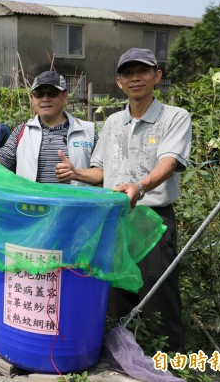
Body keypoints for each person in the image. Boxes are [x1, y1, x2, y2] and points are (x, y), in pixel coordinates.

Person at [55, 48, 192, 352]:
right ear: (119, 82)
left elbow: (169, 163)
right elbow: (101, 172)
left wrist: (139, 187)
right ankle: (126, 360)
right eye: (127, 73)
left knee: (158, 295)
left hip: (152, 219)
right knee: (118, 295)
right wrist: (76, 172)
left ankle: (168, 363)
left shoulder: (175, 117)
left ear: (157, 76)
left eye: (142, 71)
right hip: (114, 220)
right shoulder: (113, 123)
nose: (135, 78)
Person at [0, 71, 97, 184]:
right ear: (33, 98)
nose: (45, 99)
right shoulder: (22, 132)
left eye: (51, 93)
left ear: (65, 97)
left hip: (76, 211)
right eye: (39, 94)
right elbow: (1, 166)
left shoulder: (88, 131)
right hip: (33, 211)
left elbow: (102, 173)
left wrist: (77, 174)